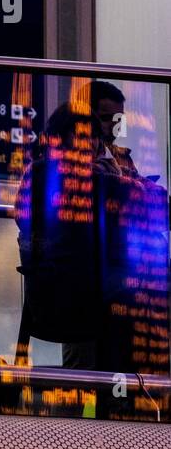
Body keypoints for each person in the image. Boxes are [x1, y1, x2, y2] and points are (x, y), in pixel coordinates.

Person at [16, 98, 168, 376]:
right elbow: (158, 204)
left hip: (57, 295)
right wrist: (124, 178)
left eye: (95, 136)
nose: (93, 143)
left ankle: (95, 401)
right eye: (84, 135)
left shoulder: (38, 173)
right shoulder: (87, 177)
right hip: (84, 298)